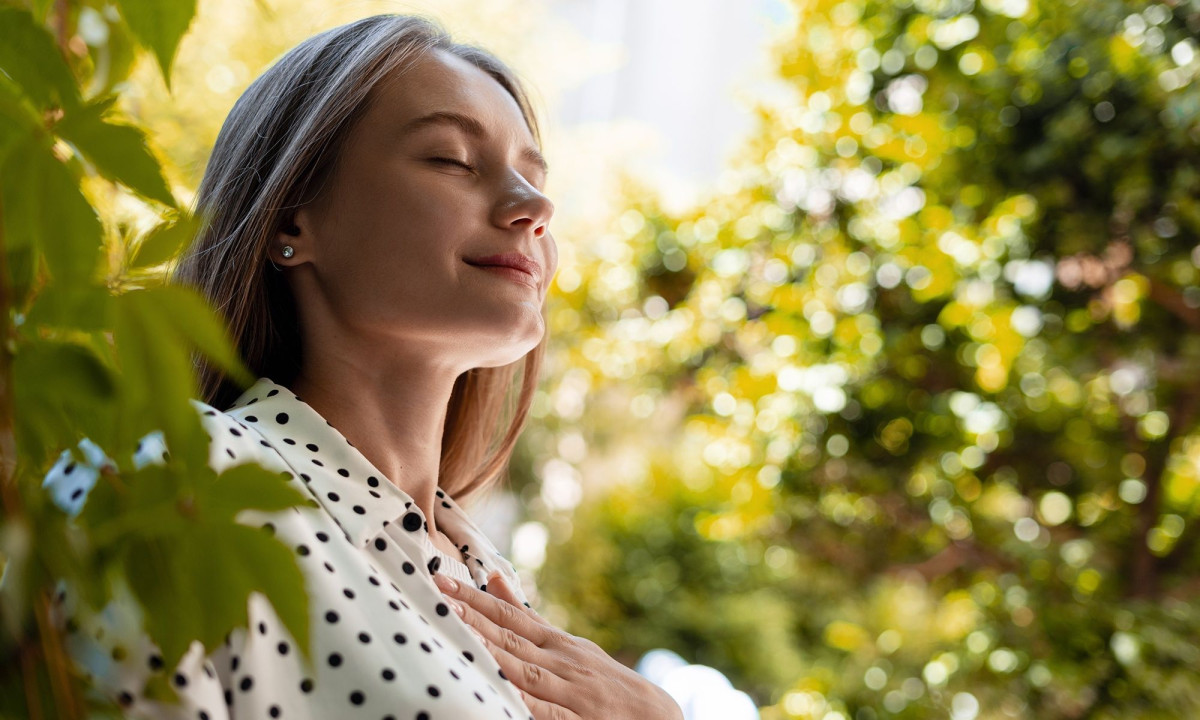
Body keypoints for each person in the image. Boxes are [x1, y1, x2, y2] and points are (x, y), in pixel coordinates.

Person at [42, 13, 683, 720]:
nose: (537, 206)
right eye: (452, 159)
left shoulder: (491, 578)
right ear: (293, 220)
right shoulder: (165, 475)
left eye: (532, 178)